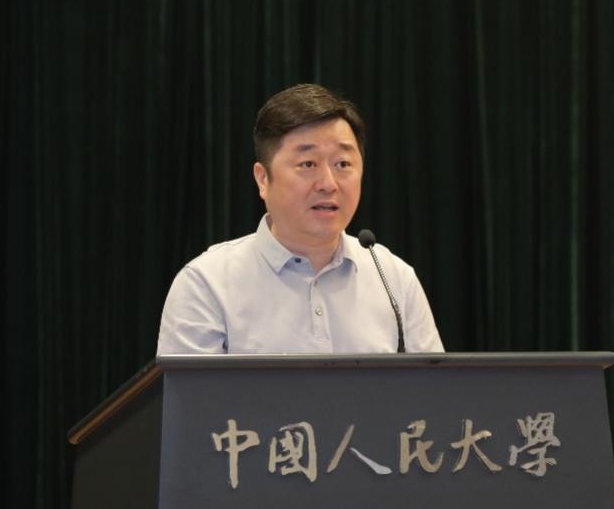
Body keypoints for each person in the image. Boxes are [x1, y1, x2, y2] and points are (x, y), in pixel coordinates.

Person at [157, 83, 444, 355]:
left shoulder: (394, 280)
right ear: (262, 179)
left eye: (343, 164)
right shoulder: (207, 284)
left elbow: (433, 388)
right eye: (308, 164)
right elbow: (192, 392)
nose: (328, 184)